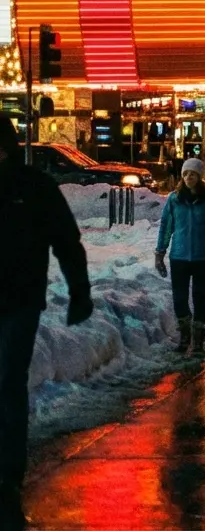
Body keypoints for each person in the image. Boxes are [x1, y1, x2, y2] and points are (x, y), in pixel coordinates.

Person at [0, 115, 91, 524]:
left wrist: (80, 292)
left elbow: (65, 240)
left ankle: (8, 474)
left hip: (19, 299)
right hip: (19, 297)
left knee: (8, 381)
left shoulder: (34, 187)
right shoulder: (35, 187)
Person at [155, 158, 205, 355]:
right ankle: (185, 336)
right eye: (186, 174)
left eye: (193, 174)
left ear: (199, 177)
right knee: (179, 298)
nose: (188, 178)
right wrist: (160, 252)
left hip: (203, 257)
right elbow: (166, 226)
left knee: (199, 297)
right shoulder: (174, 199)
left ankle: (198, 341)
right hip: (179, 256)